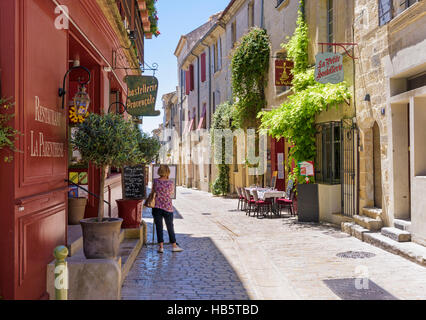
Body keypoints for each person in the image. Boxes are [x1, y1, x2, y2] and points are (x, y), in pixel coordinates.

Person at [152, 165, 183, 253]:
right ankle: (174, 245)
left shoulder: (156, 181)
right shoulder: (170, 182)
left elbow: (153, 192)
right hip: (167, 207)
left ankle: (161, 247)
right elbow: (171, 193)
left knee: (159, 226)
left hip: (157, 207)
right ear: (168, 172)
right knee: (170, 227)